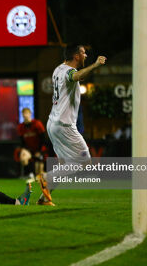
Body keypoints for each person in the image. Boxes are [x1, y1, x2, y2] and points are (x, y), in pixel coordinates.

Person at [39, 45, 106, 206]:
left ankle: (44, 199)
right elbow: (75, 76)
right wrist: (96, 65)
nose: (86, 55)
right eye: (83, 53)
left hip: (53, 123)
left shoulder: (57, 69)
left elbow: (75, 77)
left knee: (66, 166)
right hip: (64, 125)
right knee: (84, 162)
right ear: (76, 56)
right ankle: (46, 179)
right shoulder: (68, 72)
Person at [16, 108, 47, 178]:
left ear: (30, 114)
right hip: (29, 150)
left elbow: (43, 138)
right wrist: (24, 150)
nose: (25, 115)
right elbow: (22, 141)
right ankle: (30, 173)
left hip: (39, 149)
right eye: (24, 114)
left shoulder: (37, 124)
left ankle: (45, 174)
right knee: (23, 157)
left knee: (39, 173)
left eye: (27, 113)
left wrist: (39, 151)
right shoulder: (20, 126)